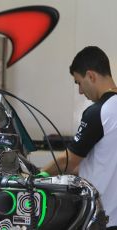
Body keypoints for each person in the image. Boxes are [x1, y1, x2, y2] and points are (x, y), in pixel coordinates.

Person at [43, 46, 117, 228]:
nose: (80, 92)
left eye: (79, 83)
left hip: (99, 218)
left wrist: (38, 176)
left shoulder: (99, 112)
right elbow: (104, 162)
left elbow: (67, 161)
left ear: (91, 76)